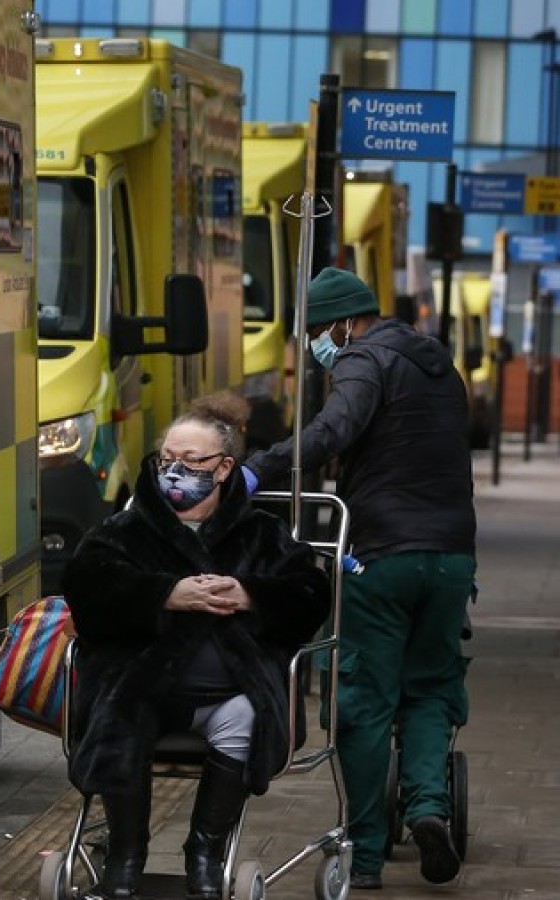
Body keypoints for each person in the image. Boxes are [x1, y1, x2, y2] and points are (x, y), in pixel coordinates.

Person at [241, 266, 476, 890]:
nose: (318, 343)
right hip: (453, 555)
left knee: (365, 702)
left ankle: (366, 854)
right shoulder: (439, 365)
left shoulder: (363, 361)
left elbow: (332, 431)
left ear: (346, 321)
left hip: (382, 554)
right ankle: (427, 807)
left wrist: (257, 469)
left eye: (320, 329)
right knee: (430, 687)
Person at [63, 392, 332, 900]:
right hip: (139, 687)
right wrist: (166, 594)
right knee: (122, 714)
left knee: (245, 717)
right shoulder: (124, 530)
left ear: (225, 468)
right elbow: (87, 590)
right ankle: (125, 856)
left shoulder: (261, 533)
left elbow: (312, 594)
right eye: (167, 460)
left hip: (228, 693)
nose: (175, 471)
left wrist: (252, 595)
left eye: (191, 461)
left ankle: (205, 852)